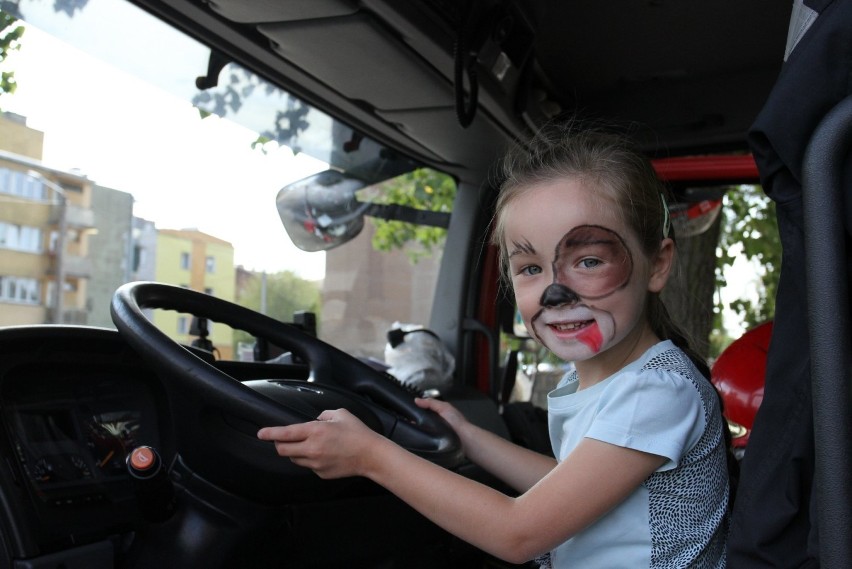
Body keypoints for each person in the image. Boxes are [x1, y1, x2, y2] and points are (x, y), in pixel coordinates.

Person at [257, 121, 731, 568]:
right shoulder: (598, 379)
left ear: (658, 264)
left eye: (588, 261)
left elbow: (517, 533)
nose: (554, 292)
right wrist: (469, 436)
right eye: (529, 268)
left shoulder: (655, 393)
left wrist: (371, 456)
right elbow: (561, 485)